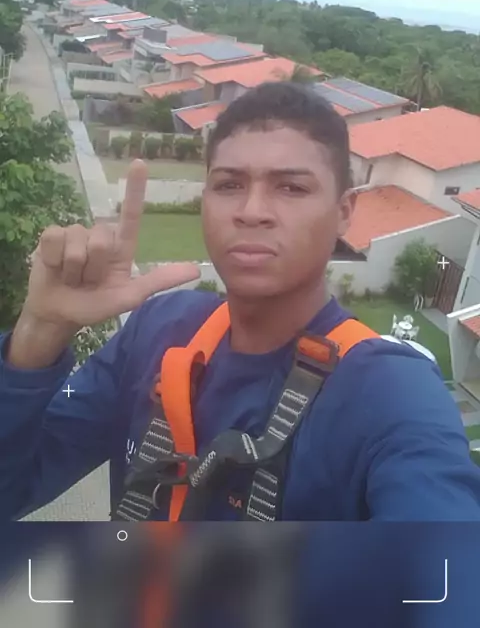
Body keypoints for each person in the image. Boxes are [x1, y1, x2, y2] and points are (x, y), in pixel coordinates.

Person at [1, 81, 479, 522]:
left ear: (344, 212)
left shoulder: (391, 393)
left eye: (291, 187)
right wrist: (40, 333)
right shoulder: (156, 332)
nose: (251, 212)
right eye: (229, 184)